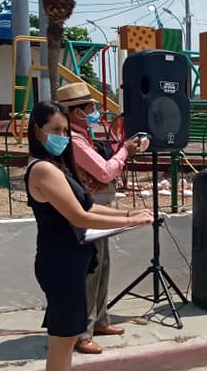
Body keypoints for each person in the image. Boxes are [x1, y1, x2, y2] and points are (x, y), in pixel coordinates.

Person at [25, 100, 152, 371]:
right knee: (62, 344)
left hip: (70, 261)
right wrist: (130, 222)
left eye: (65, 130)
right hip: (60, 264)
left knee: (65, 341)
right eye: (55, 130)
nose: (62, 136)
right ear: (37, 131)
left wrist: (127, 216)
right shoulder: (42, 170)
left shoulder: (57, 166)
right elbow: (78, 217)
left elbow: (88, 205)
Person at [56, 81, 149, 355]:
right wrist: (125, 152)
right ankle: (82, 333)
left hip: (99, 212)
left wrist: (121, 150)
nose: (95, 113)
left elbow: (103, 169)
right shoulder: (74, 140)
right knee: (90, 272)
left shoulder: (84, 136)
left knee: (102, 267)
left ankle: (99, 320)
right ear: (77, 112)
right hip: (88, 215)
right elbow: (105, 172)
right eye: (91, 108)